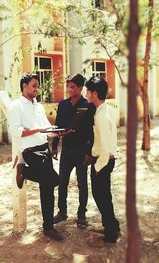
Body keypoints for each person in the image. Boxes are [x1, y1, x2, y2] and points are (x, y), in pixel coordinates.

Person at [7, 73, 63, 241]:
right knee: (55, 180)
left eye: (37, 86)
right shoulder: (16, 106)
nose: (36, 89)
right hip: (30, 152)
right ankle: (23, 169)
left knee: (47, 188)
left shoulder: (38, 106)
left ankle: (48, 227)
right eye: (34, 86)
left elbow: (45, 129)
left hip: (43, 148)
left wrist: (59, 132)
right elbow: (15, 131)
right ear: (24, 86)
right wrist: (37, 130)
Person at [52, 74, 95, 228]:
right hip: (67, 150)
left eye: (72, 87)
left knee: (82, 184)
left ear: (80, 88)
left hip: (81, 150)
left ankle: (81, 214)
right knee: (62, 182)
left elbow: (92, 131)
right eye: (68, 86)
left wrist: (88, 152)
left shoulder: (88, 105)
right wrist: (55, 145)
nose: (69, 90)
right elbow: (57, 126)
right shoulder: (63, 104)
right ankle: (62, 212)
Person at [85, 76, 120, 244]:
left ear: (95, 93)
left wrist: (98, 167)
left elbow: (106, 146)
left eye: (88, 91)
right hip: (104, 160)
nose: (86, 94)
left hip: (103, 161)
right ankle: (111, 226)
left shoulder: (101, 116)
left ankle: (111, 233)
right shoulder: (104, 110)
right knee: (104, 196)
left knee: (101, 197)